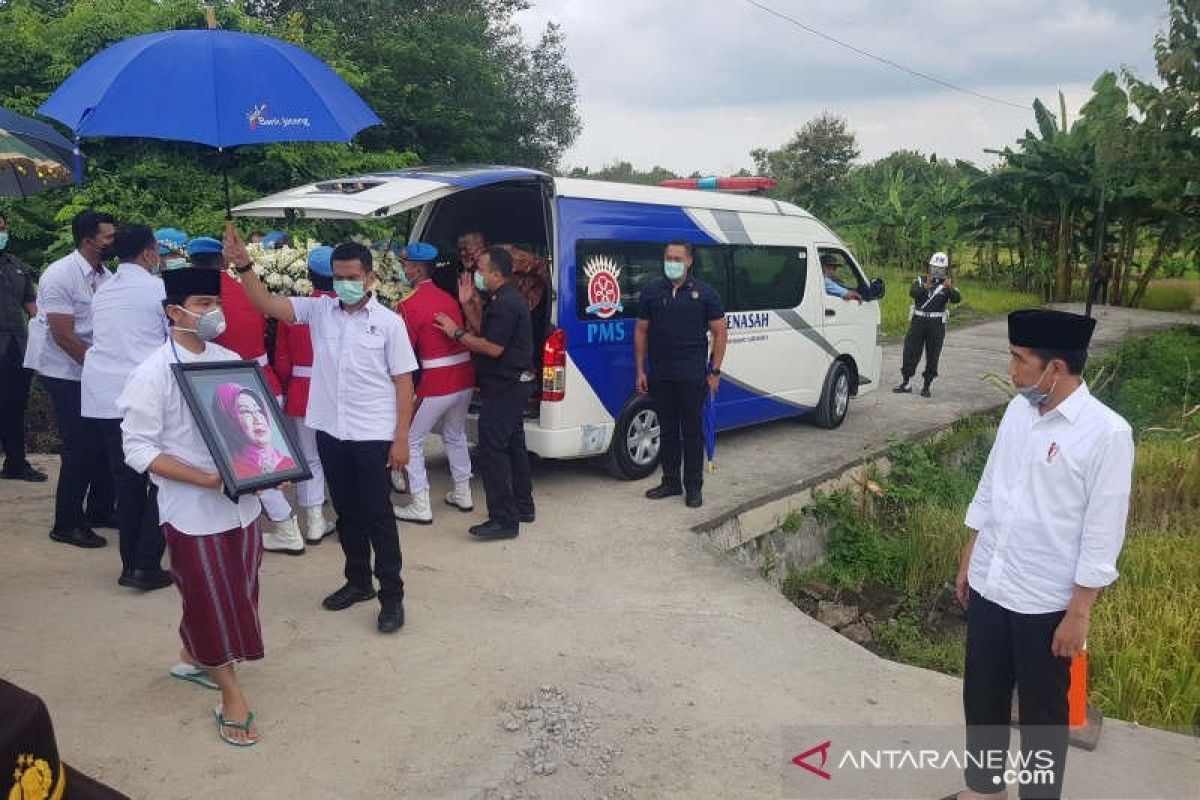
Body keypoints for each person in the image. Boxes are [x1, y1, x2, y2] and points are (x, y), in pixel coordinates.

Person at [948, 309, 1133, 800]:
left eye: (1019, 359)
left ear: (1055, 368)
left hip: (1046, 603)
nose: (1011, 370)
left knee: (1043, 717)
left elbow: (1102, 531)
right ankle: (984, 790)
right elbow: (990, 487)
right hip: (993, 581)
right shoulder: (1018, 411)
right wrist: (971, 553)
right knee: (982, 697)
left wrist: (1080, 611)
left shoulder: (1107, 435)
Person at [232, 228, 417, 634]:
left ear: (370, 278)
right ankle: (357, 581)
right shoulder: (319, 312)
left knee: (378, 515)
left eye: (353, 277)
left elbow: (404, 382)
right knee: (347, 513)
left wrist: (401, 439)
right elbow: (265, 302)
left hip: (372, 433)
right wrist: (245, 265)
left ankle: (392, 595)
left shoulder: (388, 324)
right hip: (332, 431)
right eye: (339, 277)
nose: (345, 285)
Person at [118, 266, 265, 747]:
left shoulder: (228, 360)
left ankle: (192, 654)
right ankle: (231, 696)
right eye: (203, 305)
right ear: (173, 311)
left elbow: (253, 422)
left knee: (239, 589)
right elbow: (137, 448)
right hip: (191, 507)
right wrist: (203, 477)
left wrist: (270, 467)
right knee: (208, 598)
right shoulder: (152, 372)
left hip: (241, 502)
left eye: (214, 303)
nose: (213, 314)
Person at [187, 236, 302, 555]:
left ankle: (285, 525)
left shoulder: (202, 302)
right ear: (222, 262)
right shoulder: (245, 291)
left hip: (228, 386)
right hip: (263, 381)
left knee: (250, 461)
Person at [81, 224, 172, 591]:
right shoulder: (158, 289)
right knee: (164, 479)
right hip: (143, 395)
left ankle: (131, 564)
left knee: (127, 481)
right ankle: (146, 562)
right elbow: (175, 338)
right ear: (149, 254)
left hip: (104, 396)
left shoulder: (102, 291)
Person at [23, 210, 116, 548]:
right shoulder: (59, 274)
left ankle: (102, 510)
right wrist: (98, 370)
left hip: (94, 368)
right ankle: (67, 523)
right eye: (108, 237)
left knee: (109, 440)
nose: (113, 242)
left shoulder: (107, 276)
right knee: (81, 446)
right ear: (89, 238)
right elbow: (63, 335)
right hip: (64, 371)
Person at [434, 246, 532, 540]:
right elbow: (487, 334)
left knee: (492, 449)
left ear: (496, 273)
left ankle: (503, 519)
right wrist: (467, 306)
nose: (476, 274)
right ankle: (522, 506)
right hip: (509, 383)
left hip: (507, 385)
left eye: (481, 269)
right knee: (514, 445)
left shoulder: (506, 303)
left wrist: (456, 333)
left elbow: (492, 348)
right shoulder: (500, 299)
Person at [634, 241, 728, 509]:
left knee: (691, 433)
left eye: (676, 258)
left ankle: (694, 487)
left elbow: (720, 333)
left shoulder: (705, 293)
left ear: (689, 261)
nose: (671, 262)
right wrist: (640, 369)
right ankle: (671, 481)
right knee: (667, 431)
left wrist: (715, 370)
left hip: (691, 375)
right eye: (667, 257)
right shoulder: (652, 291)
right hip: (661, 374)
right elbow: (641, 331)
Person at [393, 242, 475, 524]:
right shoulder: (448, 297)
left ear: (417, 269)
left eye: (405, 265)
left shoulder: (408, 304)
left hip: (437, 381)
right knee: (455, 434)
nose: (403, 269)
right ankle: (463, 492)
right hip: (464, 376)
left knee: (412, 441)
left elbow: (403, 351)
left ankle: (419, 503)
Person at [273, 245, 337, 543]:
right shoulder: (344, 308)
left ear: (309, 276)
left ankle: (314, 521)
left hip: (302, 389)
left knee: (309, 457)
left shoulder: (294, 309)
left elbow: (283, 362)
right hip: (337, 391)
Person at [0, 213, 47, 482]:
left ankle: (16, 463)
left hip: (17, 346)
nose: (2, 234)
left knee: (16, 406)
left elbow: (32, 308)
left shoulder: (16, 265)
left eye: (4, 229)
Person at [894, 251, 961, 398]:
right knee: (910, 351)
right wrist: (926, 286)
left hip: (936, 323)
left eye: (940, 269)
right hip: (918, 320)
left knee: (933, 354)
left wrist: (949, 289)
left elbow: (957, 299)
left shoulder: (947, 284)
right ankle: (906, 382)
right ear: (929, 267)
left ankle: (926, 386)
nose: (936, 271)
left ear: (945, 270)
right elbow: (913, 293)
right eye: (934, 268)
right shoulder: (920, 280)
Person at [211, 383, 297, 479]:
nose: (257, 419)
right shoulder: (232, 473)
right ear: (229, 420)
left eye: (258, 410)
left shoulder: (289, 464)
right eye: (245, 412)